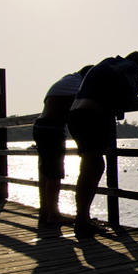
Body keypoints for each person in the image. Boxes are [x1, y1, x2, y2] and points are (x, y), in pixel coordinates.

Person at [67, 51, 138, 238]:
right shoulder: (131, 67)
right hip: (92, 116)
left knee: (90, 166)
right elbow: (130, 94)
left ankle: (82, 218)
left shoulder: (108, 63)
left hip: (75, 115)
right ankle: (82, 221)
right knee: (93, 167)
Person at [32, 65, 92, 229]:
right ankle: (53, 214)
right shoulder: (80, 84)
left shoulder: (67, 80)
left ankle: (45, 211)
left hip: (41, 126)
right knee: (54, 173)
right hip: (52, 128)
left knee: (46, 172)